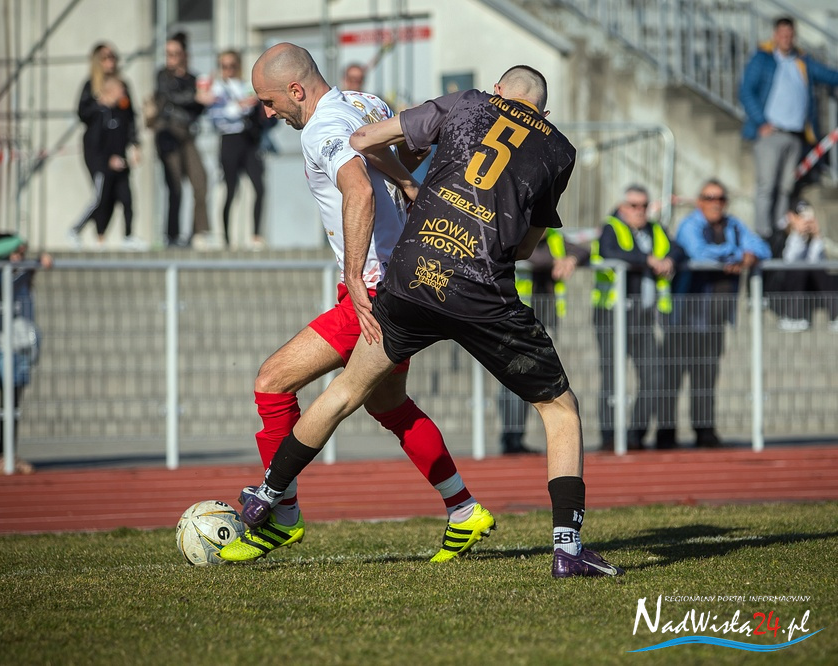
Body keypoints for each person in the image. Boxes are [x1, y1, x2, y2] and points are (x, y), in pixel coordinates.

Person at [232, 63, 624, 578]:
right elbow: (526, 247)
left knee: (332, 391)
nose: (267, 111)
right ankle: (562, 546)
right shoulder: (557, 149)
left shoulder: (468, 103)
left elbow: (365, 153)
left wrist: (410, 193)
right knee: (557, 408)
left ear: (498, 90)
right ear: (544, 112)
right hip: (479, 287)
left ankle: (271, 499)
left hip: (406, 277)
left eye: (268, 101)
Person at [219, 43, 490, 564]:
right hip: (403, 279)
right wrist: (407, 181)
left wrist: (352, 273)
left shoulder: (321, 128)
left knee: (272, 382)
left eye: (270, 101)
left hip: (376, 289)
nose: (268, 113)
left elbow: (358, 191)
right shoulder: (367, 103)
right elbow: (405, 154)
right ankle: (463, 509)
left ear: (296, 90)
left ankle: (283, 516)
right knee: (388, 406)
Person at [669, 179, 771, 448]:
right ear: (699, 201)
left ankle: (705, 430)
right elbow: (698, 252)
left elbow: (762, 248)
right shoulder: (690, 224)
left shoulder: (734, 225)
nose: (715, 203)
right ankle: (666, 433)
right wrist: (736, 255)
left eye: (721, 198)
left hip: (715, 316)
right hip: (686, 314)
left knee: (707, 375)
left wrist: (747, 256)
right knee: (673, 376)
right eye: (709, 198)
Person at [591, 185, 685, 451]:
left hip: (643, 316)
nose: (640, 210)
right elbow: (609, 251)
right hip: (612, 314)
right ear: (623, 207)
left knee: (654, 375)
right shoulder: (611, 227)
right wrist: (648, 259)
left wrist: (669, 260)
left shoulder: (655, 229)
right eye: (634, 205)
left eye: (644, 205)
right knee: (611, 376)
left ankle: (636, 435)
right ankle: (609, 437)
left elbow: (679, 249)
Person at [739, 16, 838, 239]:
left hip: (796, 135)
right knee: (767, 185)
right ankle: (763, 234)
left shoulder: (802, 61)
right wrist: (761, 122)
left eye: (790, 35)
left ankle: (780, 230)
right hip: (771, 133)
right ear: (775, 35)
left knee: (786, 187)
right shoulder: (763, 59)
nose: (786, 38)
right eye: (782, 34)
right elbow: (746, 91)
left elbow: (828, 75)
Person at [499, 228, 587, 454]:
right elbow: (528, 257)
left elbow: (583, 250)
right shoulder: (515, 235)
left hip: (544, 321)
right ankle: (511, 437)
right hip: (517, 320)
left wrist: (571, 259)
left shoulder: (555, 238)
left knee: (535, 379)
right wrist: (557, 261)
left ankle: (520, 437)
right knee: (514, 377)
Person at [0, 232, 52, 474]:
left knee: (15, 404)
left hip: (22, 348)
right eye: (14, 253)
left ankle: (9, 453)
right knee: (7, 402)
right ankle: (1, 455)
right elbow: (10, 284)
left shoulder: (23, 276)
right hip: (4, 348)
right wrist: (33, 266)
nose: (19, 258)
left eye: (21, 254)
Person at [69, 45, 144, 250]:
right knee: (102, 195)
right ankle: (89, 233)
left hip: (118, 151)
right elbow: (82, 114)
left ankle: (127, 236)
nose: (110, 61)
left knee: (125, 195)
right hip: (99, 153)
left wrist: (135, 144)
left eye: (113, 57)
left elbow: (130, 119)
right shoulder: (91, 87)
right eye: (105, 58)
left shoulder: (123, 86)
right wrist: (101, 104)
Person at [203, 50, 268, 249]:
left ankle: (256, 235)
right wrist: (238, 106)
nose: (229, 70)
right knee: (231, 190)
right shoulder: (217, 88)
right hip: (229, 140)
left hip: (248, 140)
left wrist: (240, 106)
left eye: (232, 66)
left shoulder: (245, 85)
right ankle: (226, 238)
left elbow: (251, 107)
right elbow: (216, 116)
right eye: (224, 66)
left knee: (259, 187)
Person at [151, 32, 210, 248]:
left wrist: (205, 99)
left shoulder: (193, 79)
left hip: (187, 135)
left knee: (200, 181)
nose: (171, 58)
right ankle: (172, 235)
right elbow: (170, 97)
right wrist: (195, 97)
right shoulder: (163, 75)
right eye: (168, 54)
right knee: (174, 186)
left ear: (184, 54)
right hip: (169, 134)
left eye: (175, 54)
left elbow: (198, 109)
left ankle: (199, 232)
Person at [769, 200, 838, 332]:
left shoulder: (812, 235)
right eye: (800, 216)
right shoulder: (779, 234)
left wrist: (817, 237)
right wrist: (797, 235)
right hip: (781, 287)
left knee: (820, 270)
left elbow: (817, 262)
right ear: (791, 216)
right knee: (799, 267)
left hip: (808, 286)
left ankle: (836, 315)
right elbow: (789, 261)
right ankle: (791, 315)